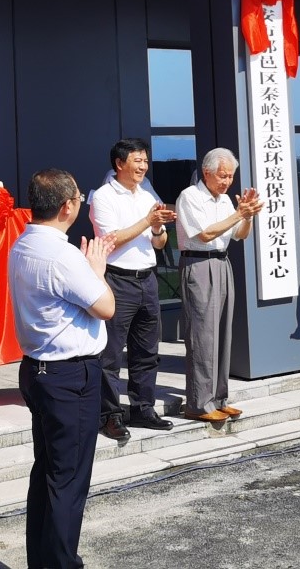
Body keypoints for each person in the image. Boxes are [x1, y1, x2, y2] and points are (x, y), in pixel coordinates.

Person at [9, 169, 116, 569]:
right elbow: (106, 306)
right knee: (68, 480)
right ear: (68, 206)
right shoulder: (62, 254)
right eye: (79, 199)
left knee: (49, 473)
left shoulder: (23, 243)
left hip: (39, 371)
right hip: (69, 376)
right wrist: (97, 271)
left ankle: (43, 560)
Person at [89, 137, 176, 439]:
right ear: (119, 164)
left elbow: (160, 242)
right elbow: (110, 239)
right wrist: (147, 220)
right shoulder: (103, 197)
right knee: (111, 353)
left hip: (147, 279)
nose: (143, 166)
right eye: (137, 161)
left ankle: (143, 408)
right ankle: (109, 415)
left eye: (145, 161)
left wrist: (157, 227)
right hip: (117, 279)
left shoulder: (146, 194)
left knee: (147, 350)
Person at [174, 147, 263, 422]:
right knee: (202, 335)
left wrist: (247, 216)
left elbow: (240, 235)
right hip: (198, 264)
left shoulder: (224, 200)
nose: (227, 182)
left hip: (223, 263)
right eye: (223, 176)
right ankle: (198, 403)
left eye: (230, 176)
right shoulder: (190, 196)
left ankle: (218, 398)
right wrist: (238, 213)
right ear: (207, 172)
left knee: (223, 332)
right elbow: (205, 234)